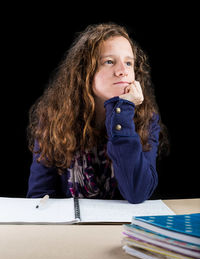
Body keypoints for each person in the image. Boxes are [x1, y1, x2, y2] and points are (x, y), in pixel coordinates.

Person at [26, 23, 169, 203]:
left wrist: (122, 114)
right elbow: (39, 195)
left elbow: (137, 193)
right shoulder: (53, 117)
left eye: (129, 63)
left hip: (123, 229)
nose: (122, 71)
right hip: (70, 229)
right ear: (85, 70)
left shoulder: (146, 119)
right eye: (109, 62)